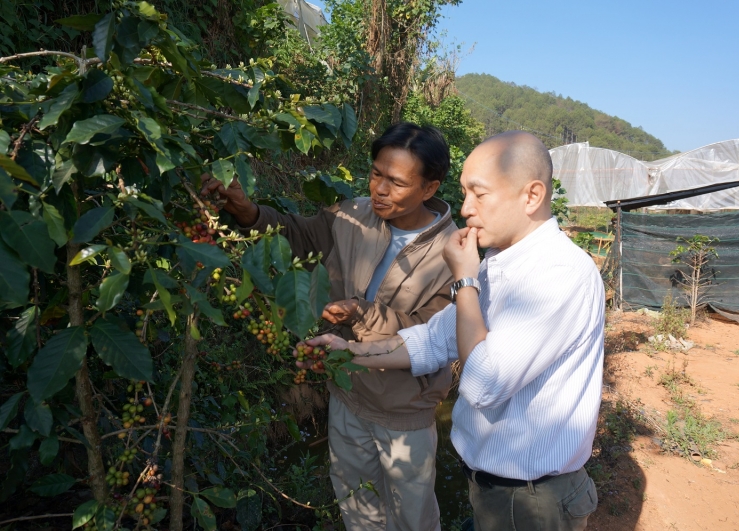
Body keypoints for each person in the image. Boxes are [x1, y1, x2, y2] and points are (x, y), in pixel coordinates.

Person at [301, 131, 604, 531]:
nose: (465, 209)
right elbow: (430, 341)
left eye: (479, 195)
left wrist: (463, 280)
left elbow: (481, 385)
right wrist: (346, 352)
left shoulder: (558, 273)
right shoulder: (499, 265)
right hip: (497, 487)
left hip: (533, 498)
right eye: (464, 193)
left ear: (531, 196)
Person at [201, 123, 457, 531]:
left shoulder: (454, 254)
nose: (379, 189)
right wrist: (249, 214)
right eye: (376, 173)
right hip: (347, 393)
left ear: (429, 188)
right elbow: (300, 235)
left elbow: (433, 336)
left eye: (396, 182)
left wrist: (361, 313)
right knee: (357, 506)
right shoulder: (353, 215)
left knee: (413, 518)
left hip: (404, 410)